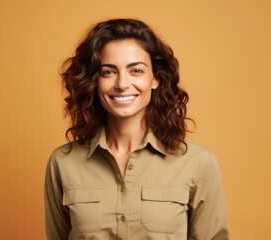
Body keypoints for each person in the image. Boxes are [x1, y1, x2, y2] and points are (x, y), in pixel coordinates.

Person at [44, 18, 229, 240]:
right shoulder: (63, 163)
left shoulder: (198, 163)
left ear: (156, 79)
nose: (122, 83)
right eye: (108, 72)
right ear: (94, 81)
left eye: (136, 71)